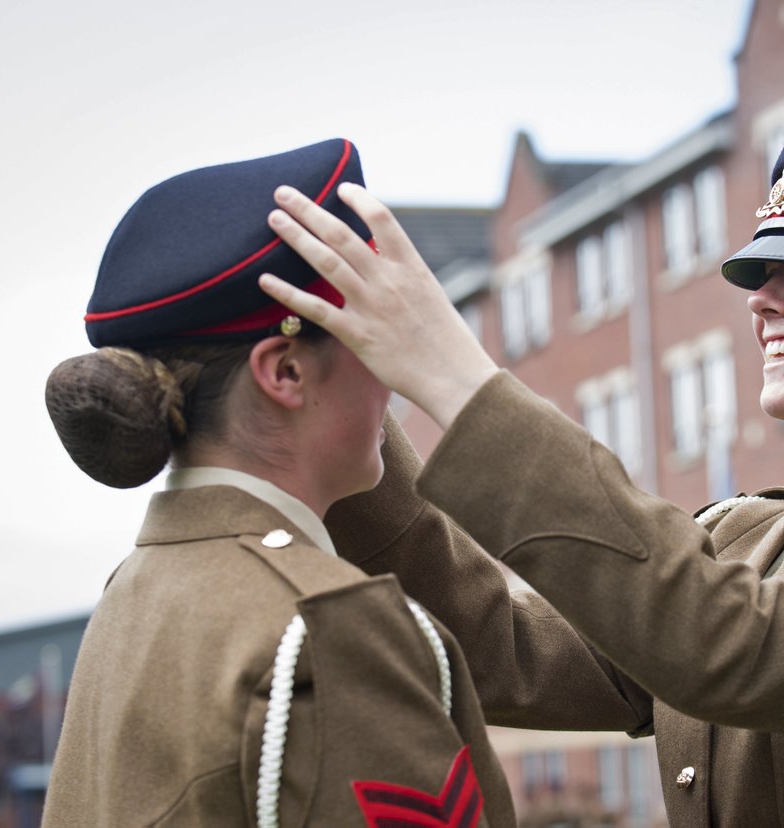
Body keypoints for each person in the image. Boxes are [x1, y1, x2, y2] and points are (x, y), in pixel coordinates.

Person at [261, 82, 784, 826]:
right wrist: (354, 412)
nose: (763, 300)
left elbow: (732, 648)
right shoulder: (745, 537)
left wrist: (459, 380)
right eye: (763, 271)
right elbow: (494, 647)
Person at [40, 140, 514, 826]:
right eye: (372, 338)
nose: (392, 374)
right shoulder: (326, 630)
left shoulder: (137, 586)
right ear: (285, 372)